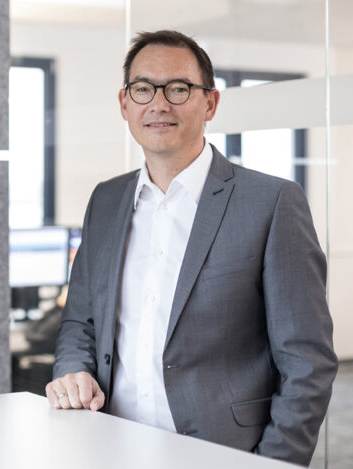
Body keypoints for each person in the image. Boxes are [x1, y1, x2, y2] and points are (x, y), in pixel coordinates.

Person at [45, 30, 337, 466]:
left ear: (210, 103)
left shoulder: (271, 202)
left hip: (225, 452)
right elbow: (79, 321)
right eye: (143, 89)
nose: (159, 104)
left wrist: (273, 463)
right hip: (111, 444)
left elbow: (307, 360)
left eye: (178, 89)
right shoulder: (106, 201)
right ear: (124, 104)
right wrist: (74, 371)